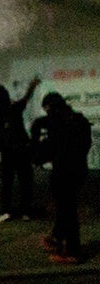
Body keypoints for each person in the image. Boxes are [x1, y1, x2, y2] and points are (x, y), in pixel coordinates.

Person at [30, 92, 93, 264]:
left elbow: (56, 148)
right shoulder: (75, 120)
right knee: (65, 206)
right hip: (75, 170)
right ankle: (57, 237)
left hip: (67, 171)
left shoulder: (65, 124)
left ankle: (73, 250)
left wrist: (41, 153)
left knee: (68, 209)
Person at [0, 77, 41, 222]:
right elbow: (26, 97)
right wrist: (33, 85)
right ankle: (23, 211)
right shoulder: (13, 109)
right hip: (16, 151)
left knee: (10, 183)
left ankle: (10, 211)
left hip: (10, 152)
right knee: (22, 182)